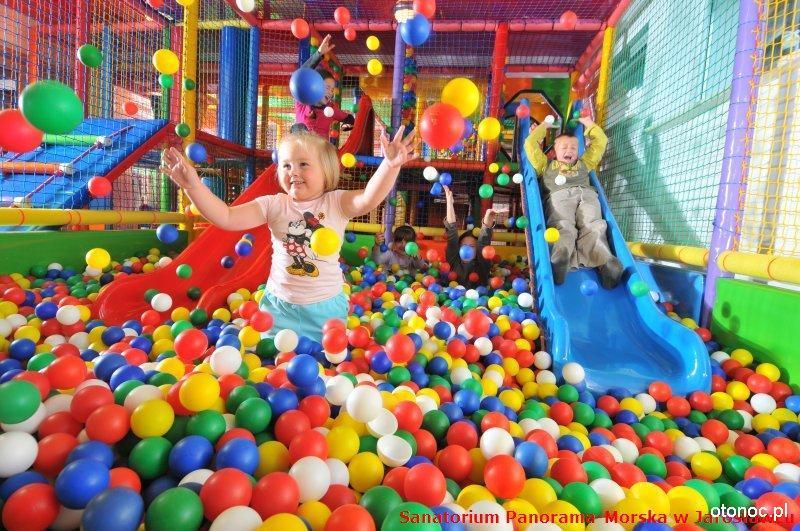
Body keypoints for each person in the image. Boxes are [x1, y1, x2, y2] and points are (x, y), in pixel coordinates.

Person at [161, 126, 416, 341]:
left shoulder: (336, 203)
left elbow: (369, 198)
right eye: (286, 165)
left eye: (303, 164)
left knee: (325, 367)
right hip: (278, 307)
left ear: (326, 171)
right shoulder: (273, 204)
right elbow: (226, 217)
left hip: (324, 308)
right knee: (271, 365)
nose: (293, 171)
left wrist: (389, 165)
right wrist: (194, 187)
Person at [524, 115, 623, 288]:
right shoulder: (545, 165)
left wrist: (588, 123)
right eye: (564, 147)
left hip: (587, 196)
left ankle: (606, 262)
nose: (569, 150)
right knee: (563, 226)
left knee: (594, 225)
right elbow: (530, 144)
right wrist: (544, 125)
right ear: (555, 151)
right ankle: (560, 258)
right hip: (559, 197)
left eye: (573, 147)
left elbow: (601, 141)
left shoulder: (585, 163)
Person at [291, 34, 355, 137]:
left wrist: (347, 126)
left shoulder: (331, 109)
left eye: (332, 90)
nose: (330, 92)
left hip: (321, 147)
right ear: (314, 86)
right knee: (298, 128)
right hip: (301, 144)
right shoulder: (303, 102)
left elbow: (349, 119)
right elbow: (301, 75)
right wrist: (319, 54)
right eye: (327, 87)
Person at [442, 185, 500, 287]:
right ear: (458, 247)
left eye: (472, 246)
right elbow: (452, 234)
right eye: (463, 245)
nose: (467, 249)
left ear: (477, 250)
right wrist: (449, 203)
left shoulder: (482, 264)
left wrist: (489, 217)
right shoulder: (453, 260)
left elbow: (483, 242)